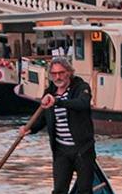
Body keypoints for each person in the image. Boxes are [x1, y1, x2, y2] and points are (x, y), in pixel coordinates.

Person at [20, 57, 95, 194]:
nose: (58, 77)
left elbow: (82, 104)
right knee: (59, 190)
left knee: (85, 190)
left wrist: (57, 102)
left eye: (61, 73)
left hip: (83, 150)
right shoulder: (49, 93)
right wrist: (29, 129)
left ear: (69, 73)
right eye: (54, 74)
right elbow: (43, 119)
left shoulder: (81, 88)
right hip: (61, 151)